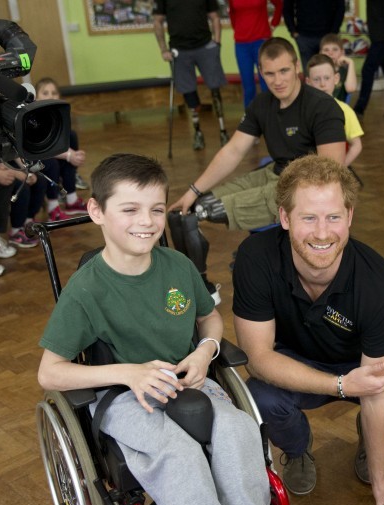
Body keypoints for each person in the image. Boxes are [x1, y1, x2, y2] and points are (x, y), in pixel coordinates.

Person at [37, 153, 319, 505]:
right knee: (181, 458)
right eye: (129, 210)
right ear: (97, 212)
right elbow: (50, 372)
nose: (145, 222)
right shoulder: (87, 290)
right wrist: (127, 372)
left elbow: (210, 322)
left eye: (155, 209)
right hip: (124, 395)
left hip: (185, 379)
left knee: (235, 431)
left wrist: (203, 352)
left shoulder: (177, 267)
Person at [231, 155, 384, 505]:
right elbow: (258, 357)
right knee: (259, 397)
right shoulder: (255, 258)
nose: (322, 233)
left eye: (333, 217)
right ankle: (298, 448)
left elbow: (377, 387)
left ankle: (371, 441)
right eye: (308, 218)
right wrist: (341, 386)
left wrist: (381, 480)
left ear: (349, 217)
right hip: (294, 359)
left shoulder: (380, 284)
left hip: (363, 364)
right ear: (284, 218)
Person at [169, 37, 345, 300]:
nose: (278, 80)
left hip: (305, 188)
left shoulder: (322, 106)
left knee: (200, 213)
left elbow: (331, 173)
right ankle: (194, 284)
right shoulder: (262, 104)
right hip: (275, 172)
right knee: (185, 212)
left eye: (284, 71)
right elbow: (233, 151)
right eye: (270, 73)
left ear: (296, 67)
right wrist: (192, 191)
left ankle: (202, 294)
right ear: (260, 72)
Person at [154, 0, 229, 151]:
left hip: (205, 46)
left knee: (215, 88)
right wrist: (163, 49)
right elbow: (157, 21)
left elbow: (214, 17)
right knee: (189, 92)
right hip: (179, 50)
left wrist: (217, 43)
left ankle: (223, 131)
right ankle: (197, 132)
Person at [34, 78, 89, 221]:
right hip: (36, 156)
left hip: (55, 154)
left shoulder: (58, 115)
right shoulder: (34, 116)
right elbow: (42, 147)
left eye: (54, 93)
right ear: (36, 97)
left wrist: (72, 155)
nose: (50, 96)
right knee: (52, 162)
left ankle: (71, 199)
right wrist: (70, 155)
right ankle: (53, 206)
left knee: (71, 135)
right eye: (45, 93)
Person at [306, 55, 363, 168]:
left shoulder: (345, 110)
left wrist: (340, 168)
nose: (322, 84)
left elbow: (357, 145)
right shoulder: (304, 109)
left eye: (327, 78)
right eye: (316, 79)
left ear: (336, 79)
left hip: (332, 169)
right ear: (308, 82)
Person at [228, 0, 283, 108]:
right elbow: (232, 13)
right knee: (248, 86)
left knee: (266, 83)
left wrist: (274, 24)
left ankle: (272, 115)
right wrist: (239, 30)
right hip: (241, 44)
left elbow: (279, 4)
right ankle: (250, 119)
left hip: (261, 42)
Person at [283, 0, 345, 67]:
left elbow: (340, 7)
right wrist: (293, 31)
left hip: (327, 37)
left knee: (331, 69)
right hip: (304, 38)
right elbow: (287, 8)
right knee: (309, 71)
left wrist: (333, 32)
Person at [319, 34, 357, 102]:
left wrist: (351, 63)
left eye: (335, 49)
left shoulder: (344, 71)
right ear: (321, 53)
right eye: (326, 50)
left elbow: (351, 89)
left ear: (342, 52)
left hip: (339, 109)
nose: (330, 53)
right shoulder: (316, 71)